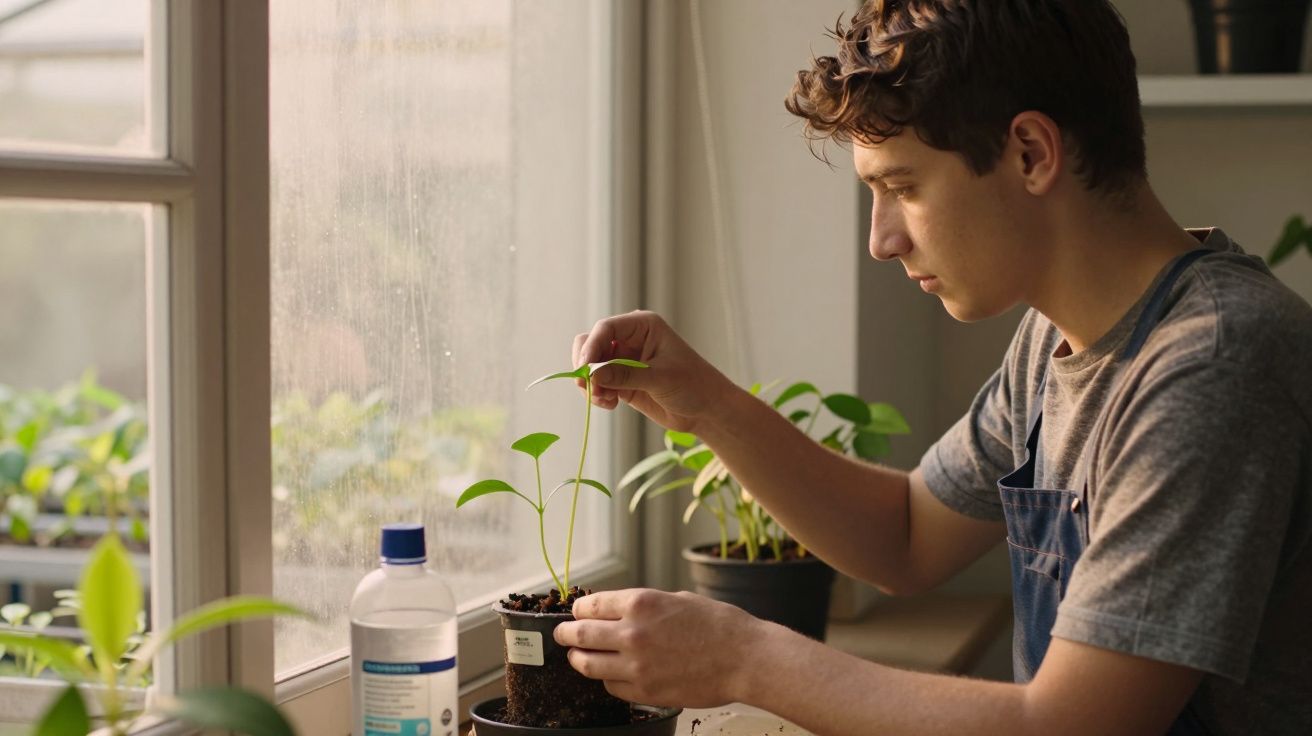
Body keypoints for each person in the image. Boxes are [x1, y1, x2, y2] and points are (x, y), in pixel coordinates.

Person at [551, 1, 1312, 733]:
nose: (882, 240)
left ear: (1031, 154)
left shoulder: (1213, 362)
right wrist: (706, 407)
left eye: (902, 187)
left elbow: (1071, 726)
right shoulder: (1055, 337)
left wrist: (745, 659)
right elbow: (907, 537)